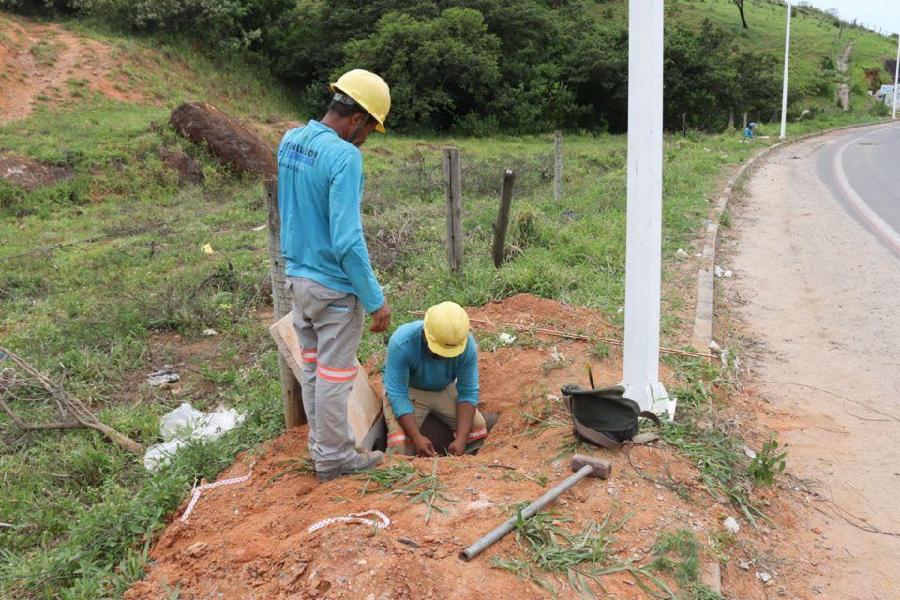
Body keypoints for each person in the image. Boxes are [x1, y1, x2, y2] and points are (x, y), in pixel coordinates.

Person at [277, 69, 392, 482]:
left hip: (298, 281)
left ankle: (321, 449)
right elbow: (347, 240)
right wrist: (375, 298)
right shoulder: (345, 157)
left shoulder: (291, 141)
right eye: (369, 129)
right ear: (357, 118)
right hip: (334, 291)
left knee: (312, 371)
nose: (365, 140)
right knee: (334, 376)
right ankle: (336, 459)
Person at [382, 302, 490, 456]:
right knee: (400, 443)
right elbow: (398, 393)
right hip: (408, 389)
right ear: (426, 334)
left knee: (477, 428)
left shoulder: (467, 347)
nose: (443, 356)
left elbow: (468, 392)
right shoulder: (402, 342)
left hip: (443, 388)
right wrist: (416, 437)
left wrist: (461, 439)